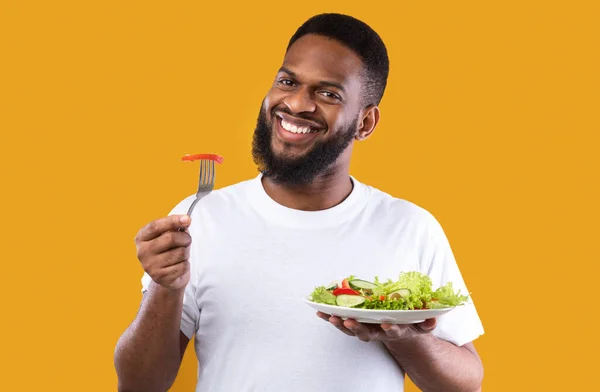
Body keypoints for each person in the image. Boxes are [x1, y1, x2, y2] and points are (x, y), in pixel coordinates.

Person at [114, 13, 485, 392]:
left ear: (365, 123)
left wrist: (404, 337)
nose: (295, 104)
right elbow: (139, 385)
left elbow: (465, 384)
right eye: (288, 81)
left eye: (327, 94)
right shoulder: (201, 219)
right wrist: (166, 288)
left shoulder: (409, 227)